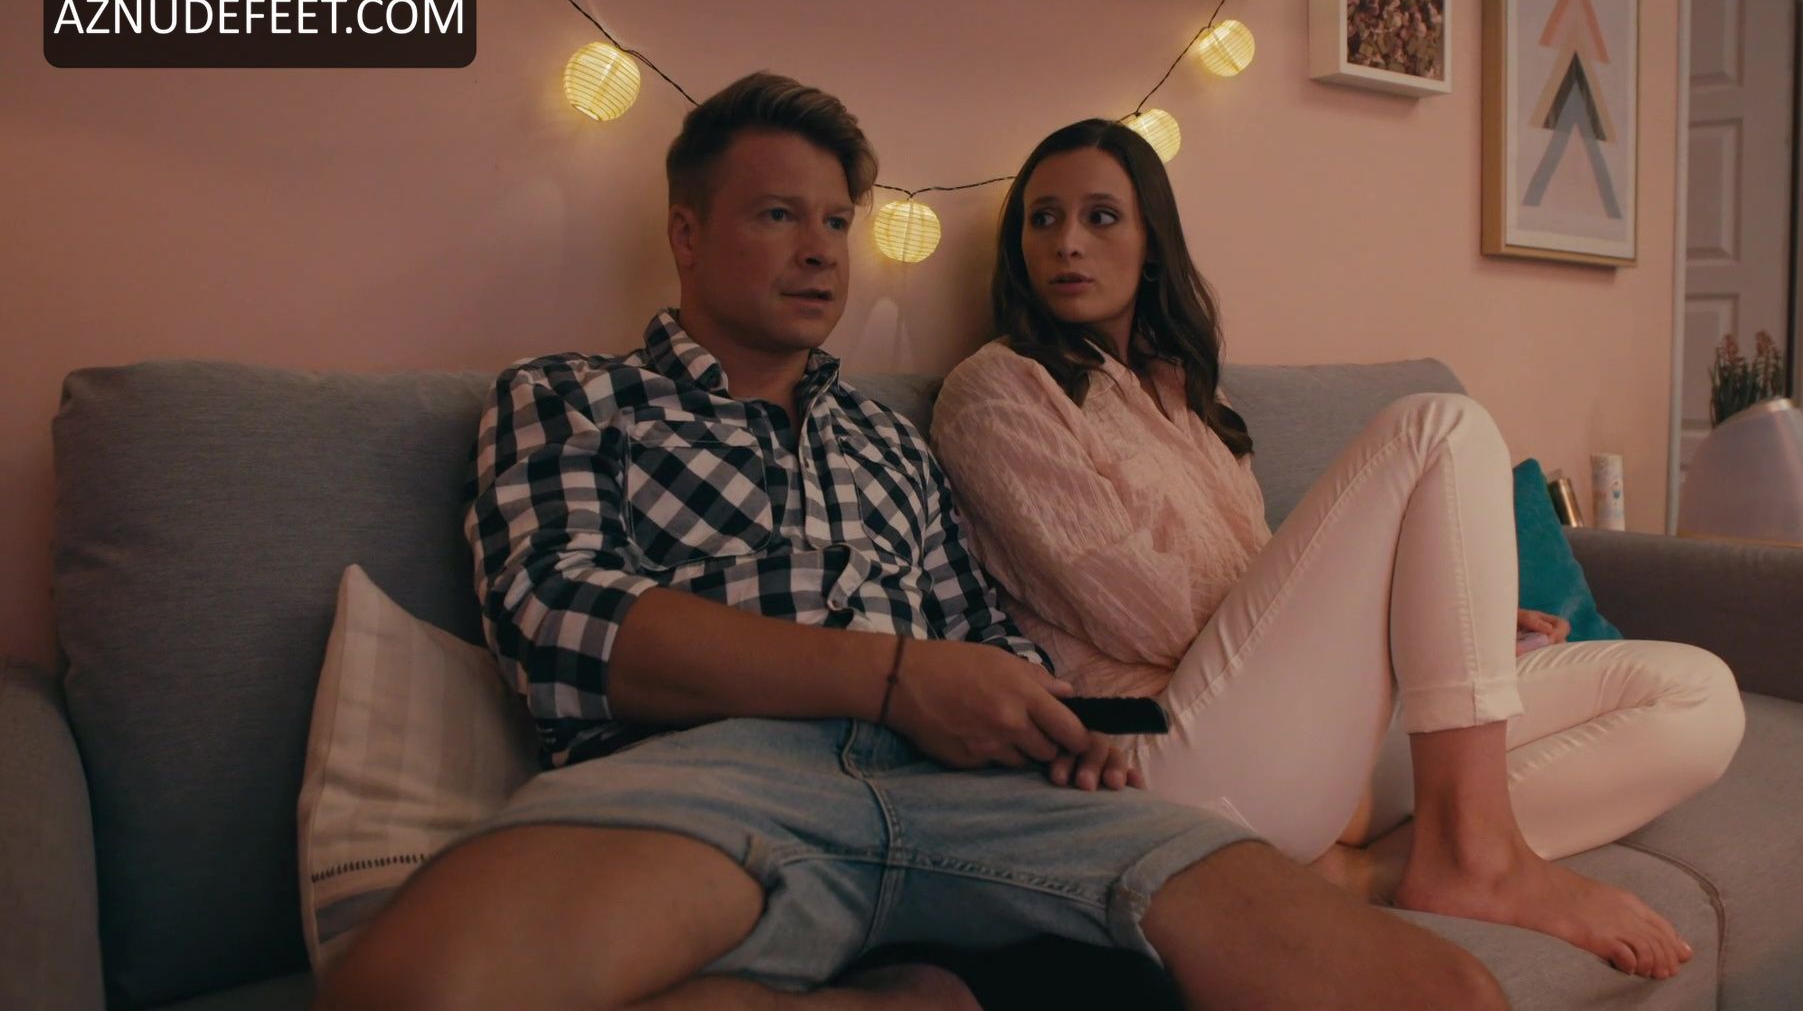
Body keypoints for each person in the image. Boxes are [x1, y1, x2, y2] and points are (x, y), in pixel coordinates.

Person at [313, 75, 1507, 1011]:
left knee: (1438, 991)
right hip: (718, 775)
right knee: (415, 992)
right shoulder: (571, 396)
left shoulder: (887, 438)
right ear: (686, 232)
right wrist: (889, 677)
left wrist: (1058, 720)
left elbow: (979, 626)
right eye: (778, 215)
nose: (821, 249)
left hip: (970, 792)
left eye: (837, 221)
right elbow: (559, 622)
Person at [929, 118, 1748, 984]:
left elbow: (1271, 598)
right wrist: (1390, 628)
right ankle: (1475, 856)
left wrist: (1450, 621)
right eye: (1043, 218)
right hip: (1171, 755)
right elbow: (1157, 617)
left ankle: (1372, 870)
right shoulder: (995, 392)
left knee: (1696, 695)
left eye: (1100, 217)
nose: (1066, 242)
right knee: (1440, 426)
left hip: (1301, 738)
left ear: (1152, 245)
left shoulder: (1187, 396)